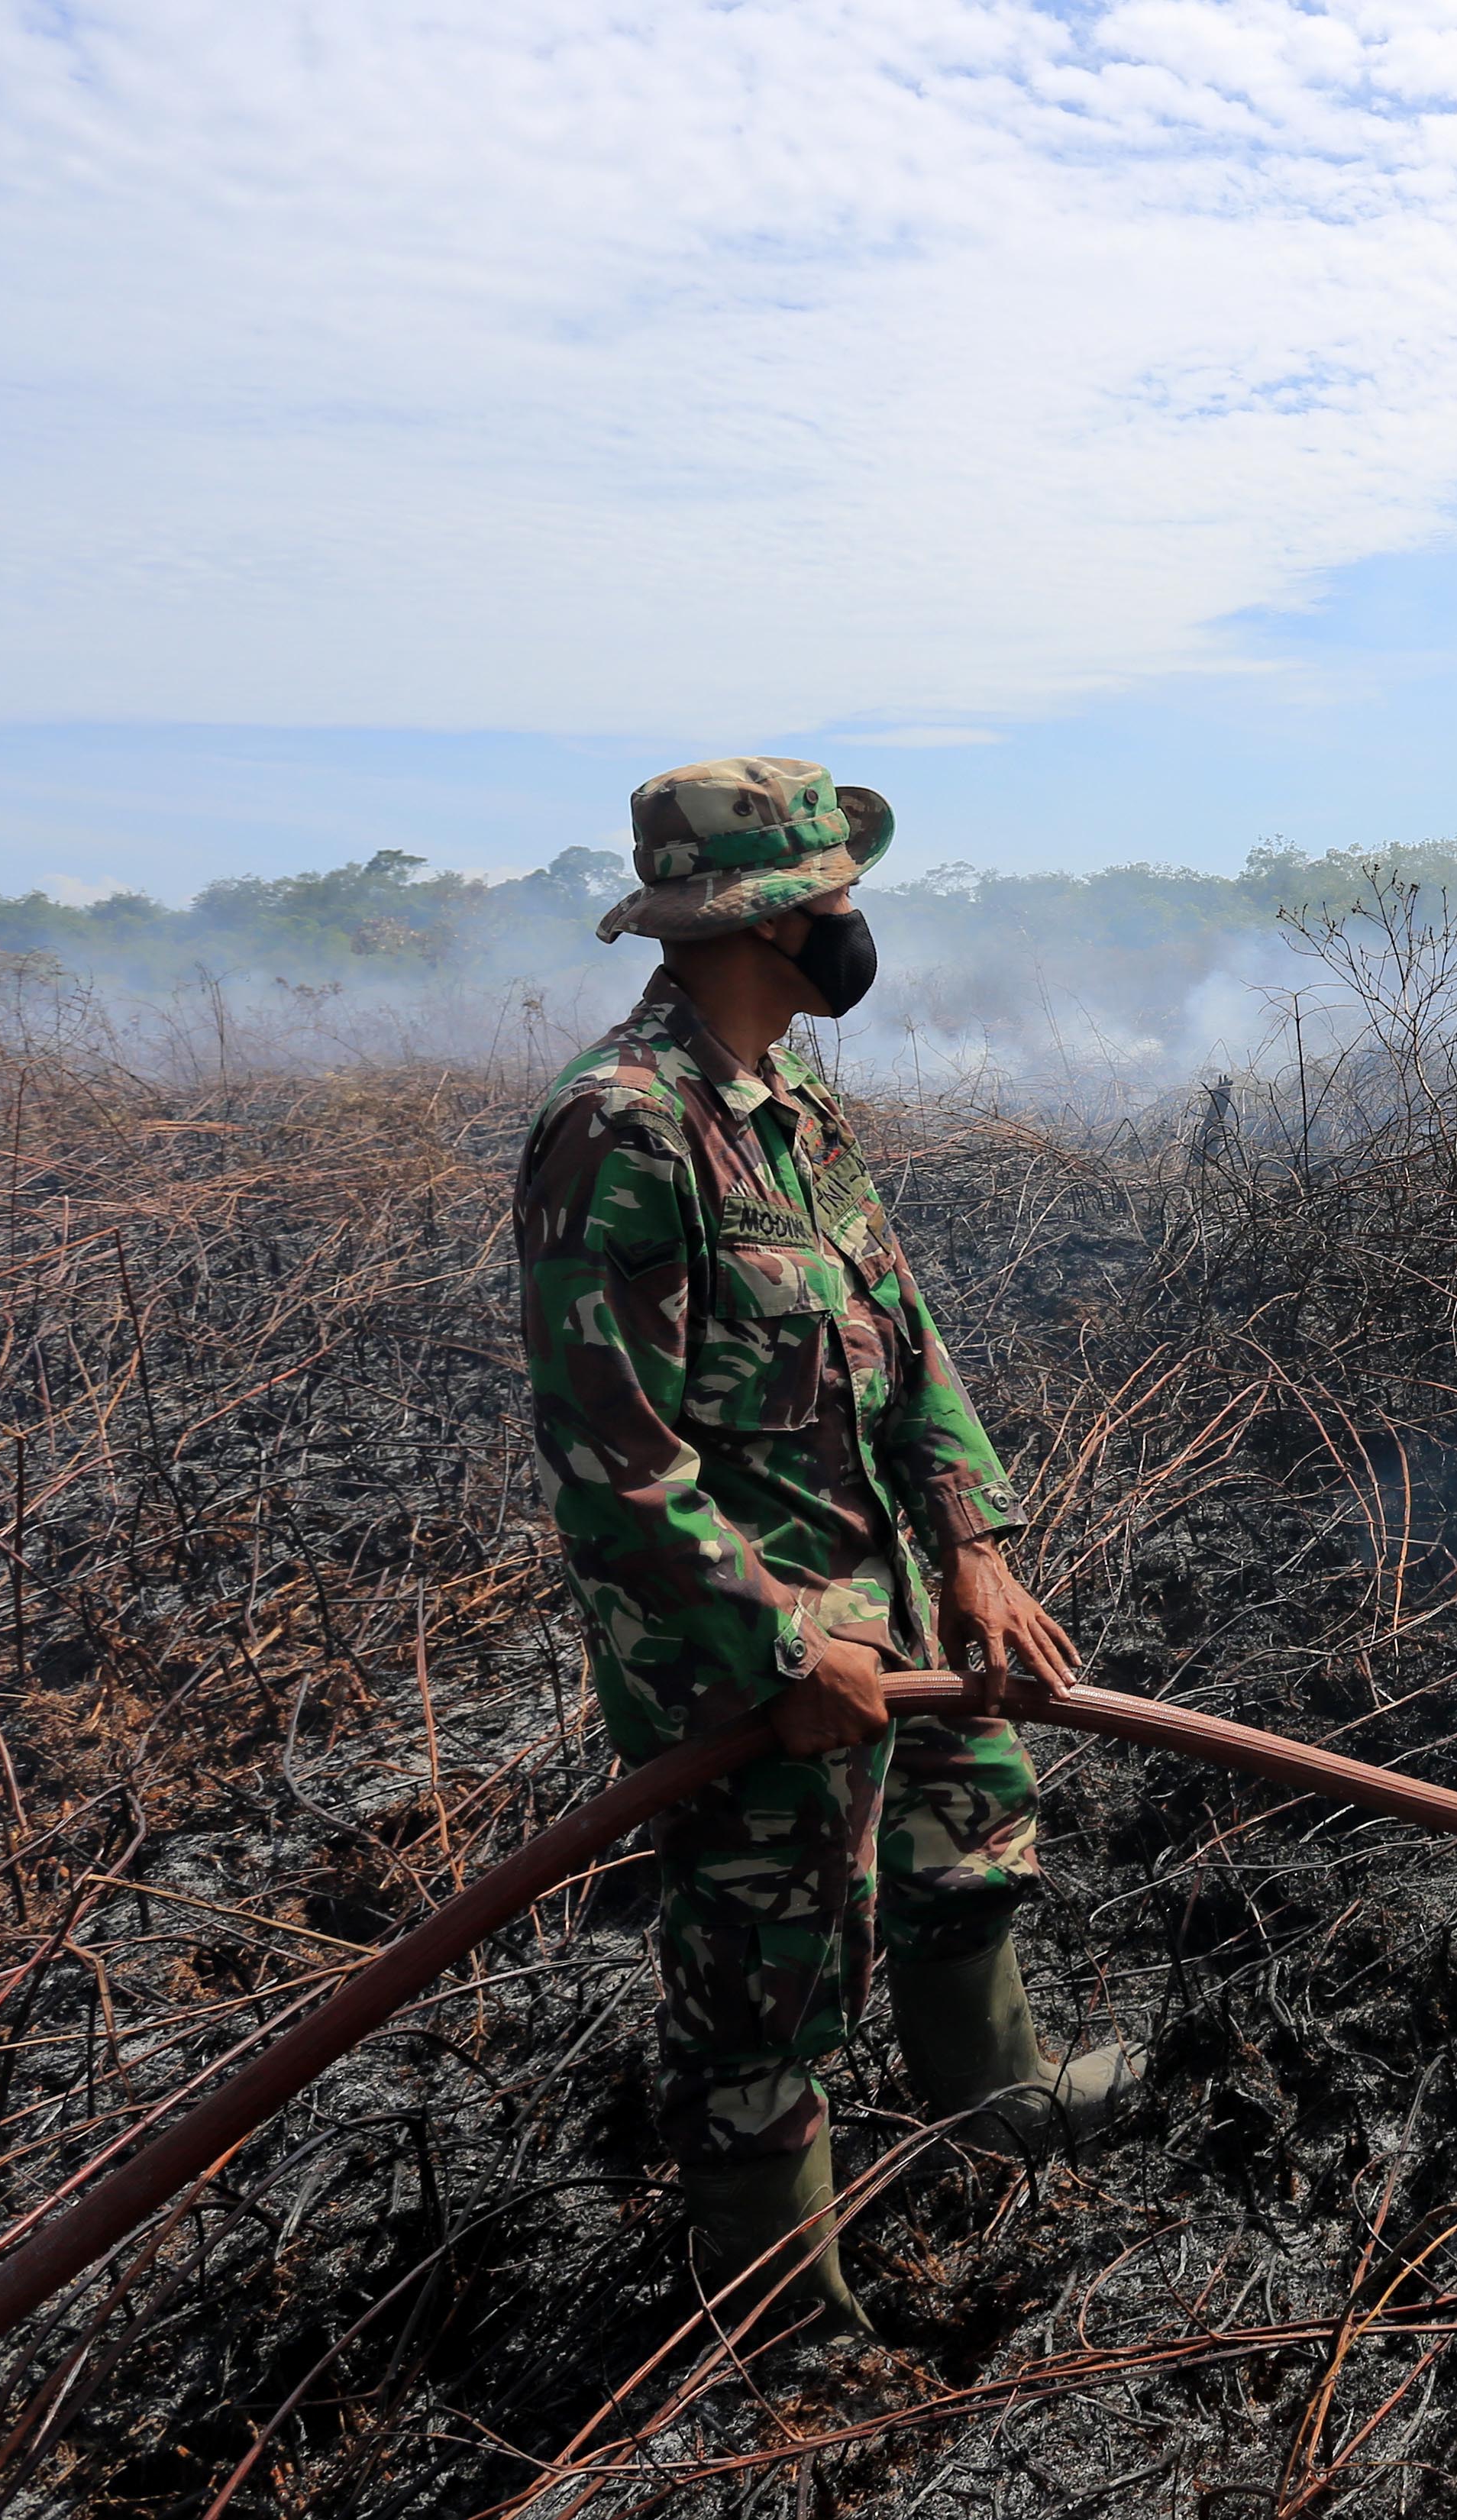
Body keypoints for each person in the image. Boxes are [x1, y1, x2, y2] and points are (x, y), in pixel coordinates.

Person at [515, 756, 1143, 2344]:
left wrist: (977, 1545)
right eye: (841, 902)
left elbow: (905, 1341)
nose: (861, 930)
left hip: (898, 1615)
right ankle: (783, 2333)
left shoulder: (797, 1114)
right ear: (766, 921)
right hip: (747, 1660)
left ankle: (994, 2097)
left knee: (971, 1839)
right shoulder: (624, 1132)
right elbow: (616, 1464)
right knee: (765, 1984)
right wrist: (778, 1655)